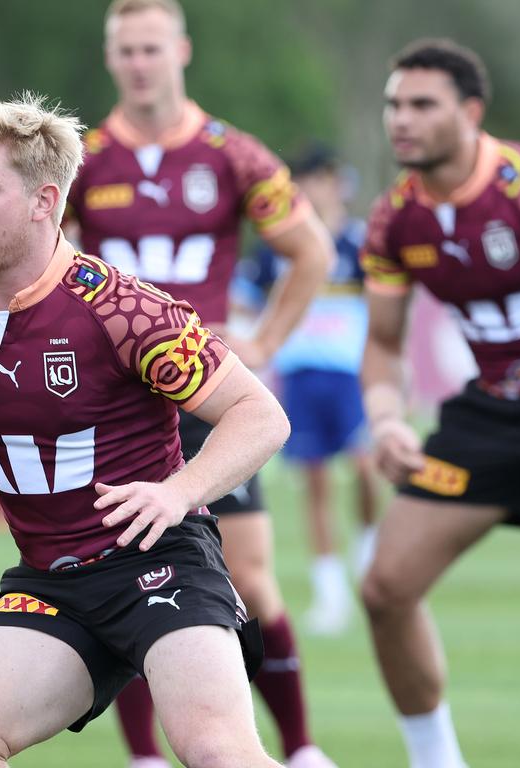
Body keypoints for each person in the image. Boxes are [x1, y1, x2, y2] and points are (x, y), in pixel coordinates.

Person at [0, 93, 289, 768]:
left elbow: (260, 416)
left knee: (215, 750)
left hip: (159, 563)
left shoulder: (122, 309)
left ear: (44, 201)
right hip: (50, 583)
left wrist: (176, 492)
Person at [64, 2, 337, 766]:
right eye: (126, 50)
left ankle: (303, 747)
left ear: (180, 50)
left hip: (202, 396)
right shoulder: (84, 158)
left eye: (152, 47)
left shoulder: (230, 152)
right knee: (123, 571)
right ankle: (146, 756)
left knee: (247, 573)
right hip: (116, 401)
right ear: (111, 57)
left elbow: (309, 249)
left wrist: (267, 339)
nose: (139, 62)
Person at [360, 38, 520, 768]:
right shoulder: (394, 221)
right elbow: (384, 346)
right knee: (386, 586)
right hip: (493, 411)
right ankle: (436, 760)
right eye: (394, 105)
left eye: (422, 105)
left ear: (471, 113)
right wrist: (387, 419)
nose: (401, 120)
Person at [240, 143, 379, 636]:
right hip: (299, 376)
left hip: (348, 376)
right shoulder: (275, 249)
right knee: (316, 484)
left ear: (336, 182)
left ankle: (367, 545)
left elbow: (385, 313)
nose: (311, 190)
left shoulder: (359, 244)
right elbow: (248, 302)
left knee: (365, 469)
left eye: (319, 179)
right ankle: (331, 591)